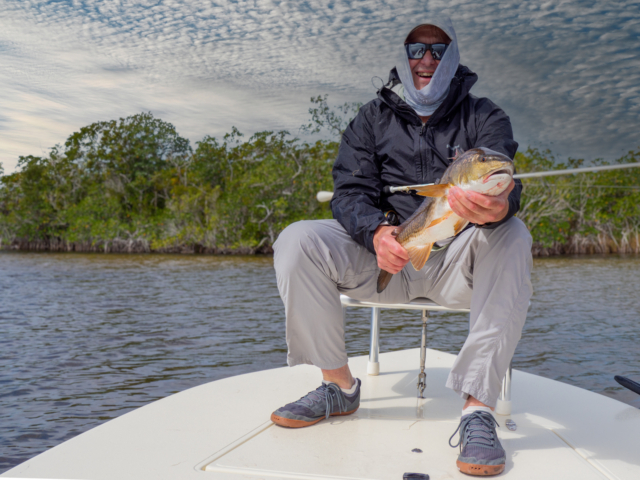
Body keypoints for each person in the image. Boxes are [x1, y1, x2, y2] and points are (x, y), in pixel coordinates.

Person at [271, 17, 533, 476]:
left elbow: (504, 176)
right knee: (297, 239)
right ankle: (338, 387)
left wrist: (501, 205)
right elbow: (349, 191)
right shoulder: (371, 119)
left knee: (514, 235)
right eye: (416, 50)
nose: (427, 59)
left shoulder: (485, 116)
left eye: (438, 50)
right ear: (402, 58)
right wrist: (375, 232)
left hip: (458, 265)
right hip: (385, 259)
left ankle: (477, 411)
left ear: (452, 57)